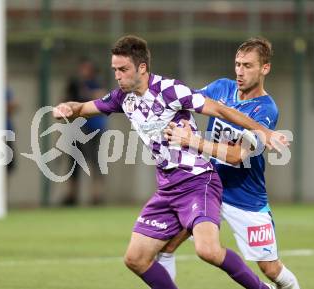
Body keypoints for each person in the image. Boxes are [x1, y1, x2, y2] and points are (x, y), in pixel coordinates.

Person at [52, 35, 287, 289]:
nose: (118, 76)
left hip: (198, 181)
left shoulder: (169, 90)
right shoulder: (123, 98)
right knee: (135, 258)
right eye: (115, 70)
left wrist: (264, 132)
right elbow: (83, 108)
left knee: (207, 250)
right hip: (167, 187)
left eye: (123, 69)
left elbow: (219, 109)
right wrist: (66, 108)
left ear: (142, 67)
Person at [161, 37, 300, 289]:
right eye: (237, 64)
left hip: (246, 199)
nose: (239, 71)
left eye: (247, 65)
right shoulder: (220, 88)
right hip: (209, 188)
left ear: (264, 68)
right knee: (167, 247)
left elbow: (236, 156)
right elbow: (187, 102)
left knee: (271, 269)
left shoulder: (265, 110)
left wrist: (191, 141)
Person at [62, 58, 107, 206]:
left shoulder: (96, 82)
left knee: (96, 162)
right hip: (77, 127)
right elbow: (65, 101)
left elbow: (102, 97)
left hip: (94, 128)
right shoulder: (74, 84)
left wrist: (88, 93)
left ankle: (97, 195)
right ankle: (72, 195)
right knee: (74, 162)